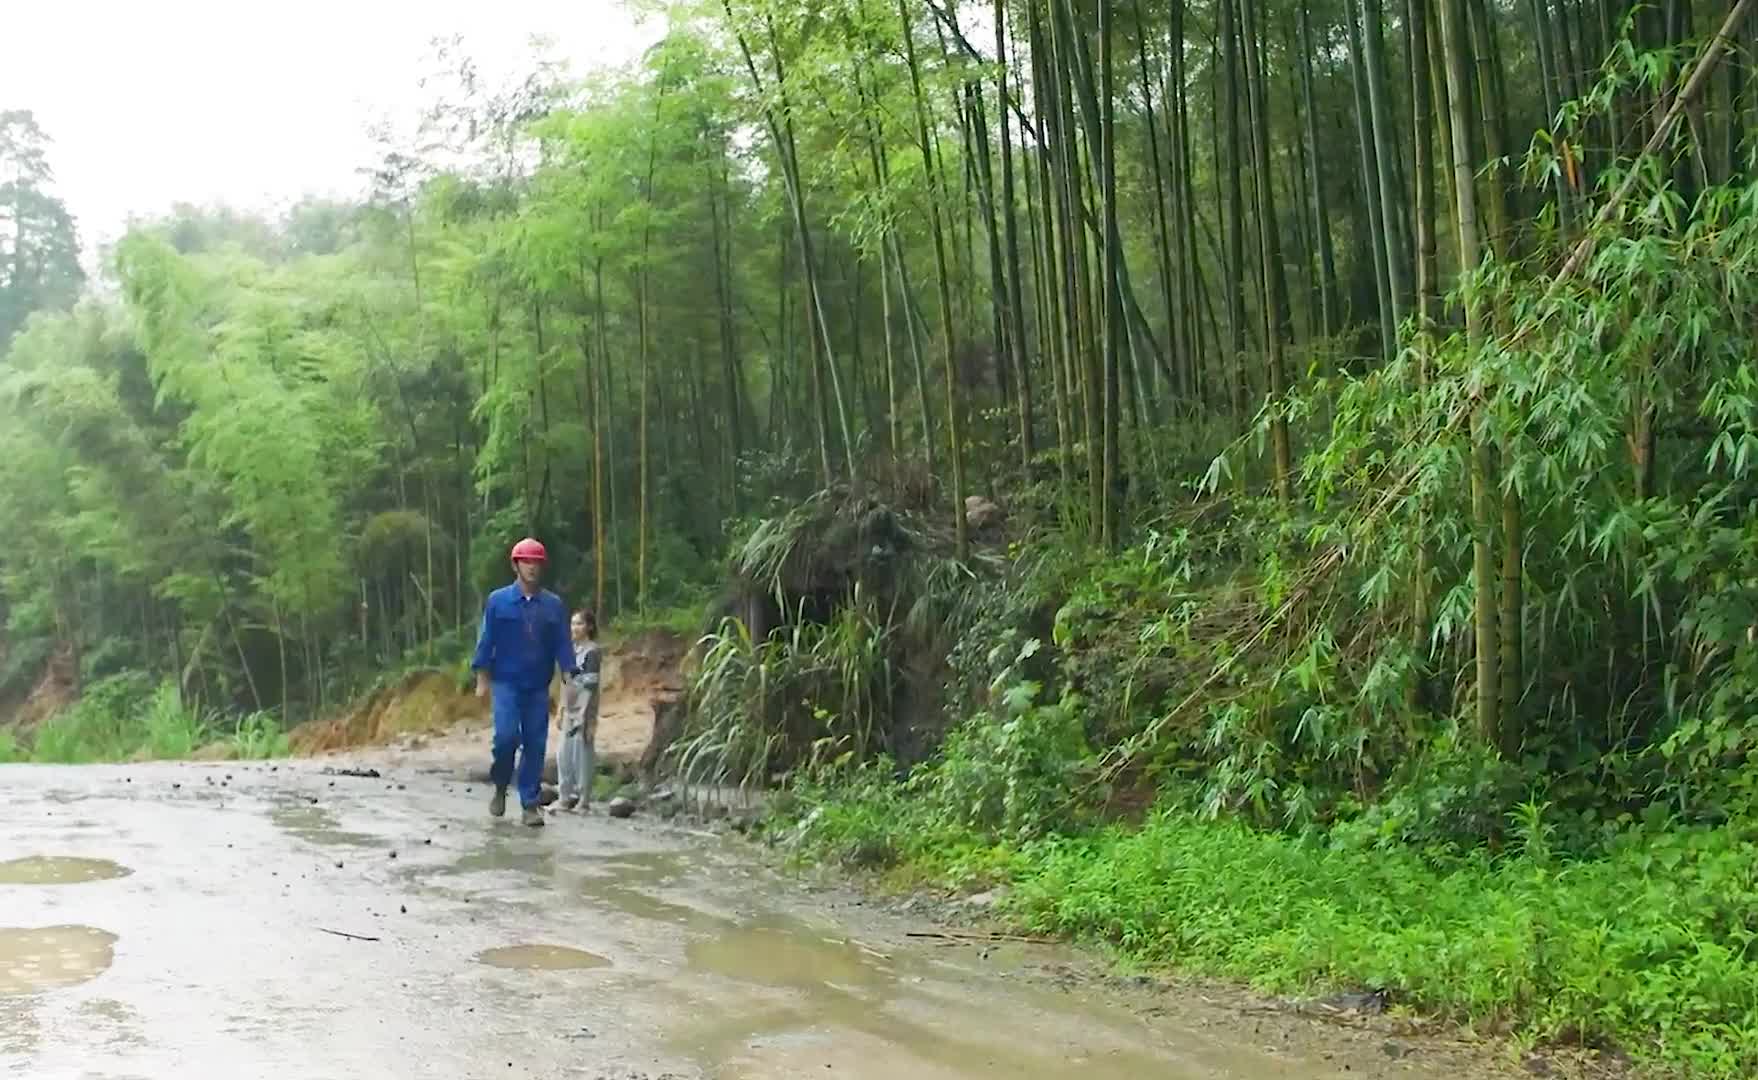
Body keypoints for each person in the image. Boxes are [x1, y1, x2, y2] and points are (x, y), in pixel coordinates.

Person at [471, 537, 578, 827]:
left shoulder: (553, 605)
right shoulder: (498, 600)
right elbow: (486, 639)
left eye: (536, 562)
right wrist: (481, 676)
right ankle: (501, 785)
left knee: (534, 743)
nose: (531, 567)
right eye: (526, 561)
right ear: (515, 565)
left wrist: (569, 676)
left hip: (537, 686)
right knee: (505, 738)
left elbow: (563, 644)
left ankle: (530, 803)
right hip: (506, 683)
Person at [555, 609, 603, 813]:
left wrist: (585, 715)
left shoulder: (592, 651)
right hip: (569, 707)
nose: (574, 628)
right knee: (563, 753)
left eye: (579, 623)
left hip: (585, 708)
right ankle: (564, 797)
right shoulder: (570, 651)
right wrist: (560, 709)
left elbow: (590, 685)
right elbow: (565, 682)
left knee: (582, 754)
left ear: (589, 627)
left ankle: (583, 800)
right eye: (573, 623)